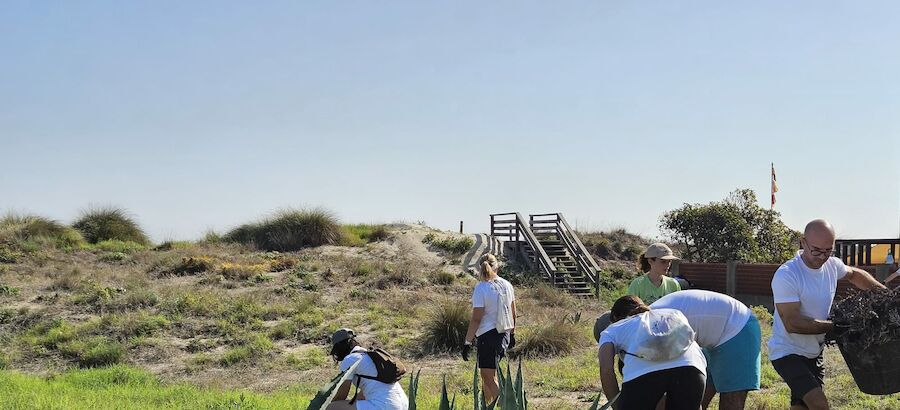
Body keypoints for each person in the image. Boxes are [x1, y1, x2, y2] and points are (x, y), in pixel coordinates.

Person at [769, 219, 886, 410]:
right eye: (816, 250)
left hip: (814, 353)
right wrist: (840, 326)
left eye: (828, 251)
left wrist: (885, 296)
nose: (822, 256)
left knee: (801, 407)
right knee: (820, 405)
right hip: (788, 353)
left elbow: (855, 275)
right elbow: (793, 323)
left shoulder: (832, 265)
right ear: (803, 242)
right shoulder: (787, 274)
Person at [650, 290, 761, 410]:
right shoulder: (647, 323)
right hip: (709, 333)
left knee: (730, 401)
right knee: (691, 396)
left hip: (737, 327)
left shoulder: (653, 327)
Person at [597, 295, 707, 410]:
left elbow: (606, 370)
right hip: (693, 368)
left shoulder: (613, 328)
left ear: (614, 317)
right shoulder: (670, 314)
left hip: (644, 376)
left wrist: (617, 406)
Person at [462, 253, 516, 404]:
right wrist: (512, 334)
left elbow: (476, 318)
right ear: (497, 266)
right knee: (489, 374)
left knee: (488, 377)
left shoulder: (481, 288)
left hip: (487, 336)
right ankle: (486, 404)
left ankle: (506, 404)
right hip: (503, 334)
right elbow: (513, 312)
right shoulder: (507, 285)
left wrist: (467, 342)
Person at [327, 328, 409, 410]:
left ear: (339, 347)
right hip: (403, 403)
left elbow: (341, 395)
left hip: (384, 405)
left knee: (332, 407)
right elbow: (363, 395)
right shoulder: (369, 356)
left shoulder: (350, 359)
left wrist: (325, 406)